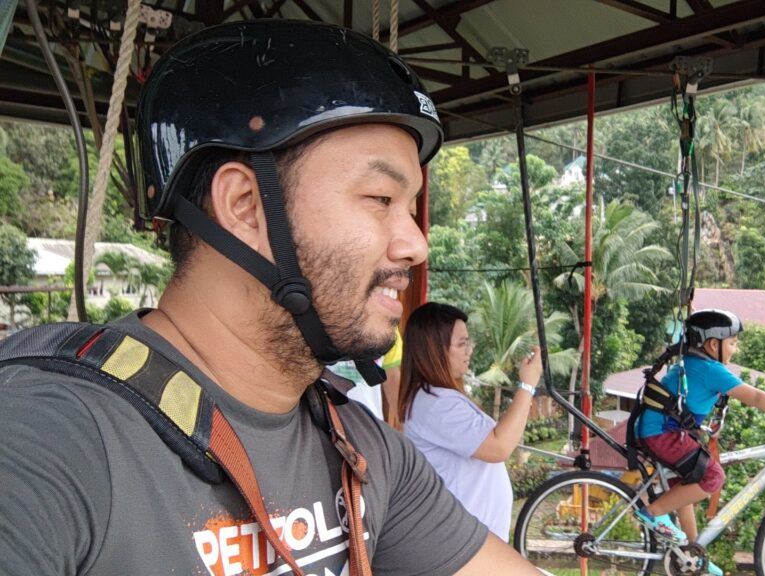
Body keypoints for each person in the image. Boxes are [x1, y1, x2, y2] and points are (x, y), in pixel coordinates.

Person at [0, 21, 539, 575]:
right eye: (381, 198)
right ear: (245, 205)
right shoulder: (47, 440)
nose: (416, 245)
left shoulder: (364, 452)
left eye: (410, 207)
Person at [633, 309, 765, 574]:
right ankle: (654, 512)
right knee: (712, 477)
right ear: (712, 344)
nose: (736, 348)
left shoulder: (692, 362)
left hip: (657, 430)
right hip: (663, 433)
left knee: (687, 487)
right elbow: (754, 396)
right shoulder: (710, 369)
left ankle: (692, 556)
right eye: (732, 342)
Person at [398, 302, 542, 542]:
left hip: (471, 541)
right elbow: (499, 447)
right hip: (463, 544)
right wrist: (527, 385)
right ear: (434, 350)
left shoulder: (437, 398)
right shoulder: (437, 404)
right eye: (462, 344)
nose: (470, 350)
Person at [328, 327, 403, 425]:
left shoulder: (387, 322)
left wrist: (404, 423)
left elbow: (392, 376)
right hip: (320, 425)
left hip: (370, 424)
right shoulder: (309, 315)